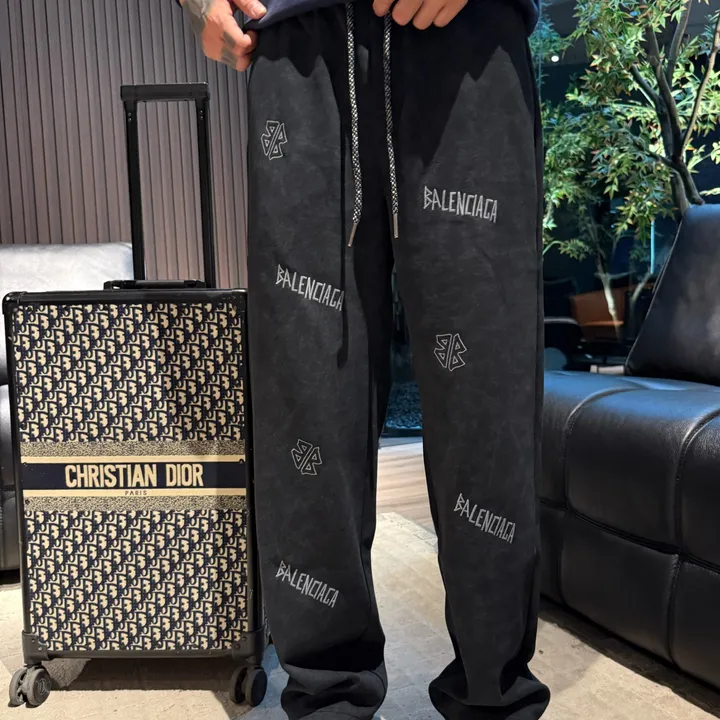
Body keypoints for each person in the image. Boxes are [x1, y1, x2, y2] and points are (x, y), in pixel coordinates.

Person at [181, 0, 549, 718]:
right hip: (297, 47)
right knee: (307, 408)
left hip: (469, 41)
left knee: (491, 404)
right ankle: (328, 699)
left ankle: (496, 696)